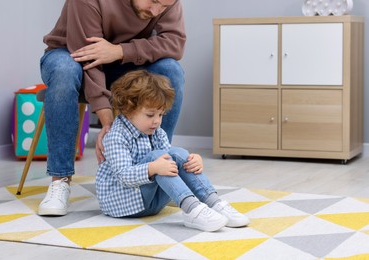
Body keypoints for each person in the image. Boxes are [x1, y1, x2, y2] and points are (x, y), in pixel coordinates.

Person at [38, 0, 186, 216]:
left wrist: (119, 51)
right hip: (70, 53)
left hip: (123, 62)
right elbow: (87, 56)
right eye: (153, 1)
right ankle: (60, 179)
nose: (155, 12)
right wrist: (108, 124)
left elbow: (175, 43)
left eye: (163, 7)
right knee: (64, 70)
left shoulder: (168, 0)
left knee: (171, 70)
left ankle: (160, 169)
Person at [96, 70, 250, 232]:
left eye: (160, 114)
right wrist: (153, 168)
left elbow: (171, 160)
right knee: (159, 158)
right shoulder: (115, 136)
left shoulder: (156, 132)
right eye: (150, 115)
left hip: (152, 202)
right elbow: (123, 176)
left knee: (178, 153)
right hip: (124, 204)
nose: (156, 121)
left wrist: (192, 160)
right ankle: (192, 209)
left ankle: (214, 202)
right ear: (128, 109)